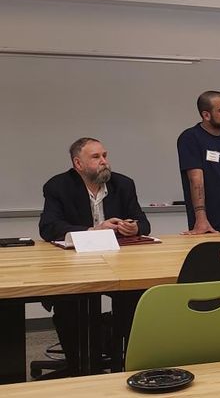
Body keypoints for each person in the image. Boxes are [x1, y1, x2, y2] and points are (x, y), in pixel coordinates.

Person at [39, 137, 151, 375]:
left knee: (137, 296)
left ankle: (127, 362)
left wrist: (135, 227)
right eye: (96, 157)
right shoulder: (58, 186)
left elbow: (143, 222)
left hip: (118, 263)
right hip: (75, 265)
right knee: (68, 303)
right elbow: (49, 227)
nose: (104, 162)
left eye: (105, 155)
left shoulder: (123, 184)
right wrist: (92, 230)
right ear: (78, 164)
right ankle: (80, 367)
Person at [177, 90, 220, 234]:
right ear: (206, 115)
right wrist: (201, 219)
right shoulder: (190, 138)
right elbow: (195, 179)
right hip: (209, 224)